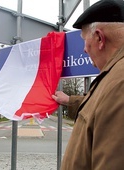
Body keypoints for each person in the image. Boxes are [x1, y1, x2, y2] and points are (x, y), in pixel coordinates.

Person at [52, 0, 124, 170]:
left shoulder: (119, 82)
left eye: (85, 40)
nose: (84, 49)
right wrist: (69, 100)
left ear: (99, 38)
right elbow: (99, 107)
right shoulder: (112, 76)